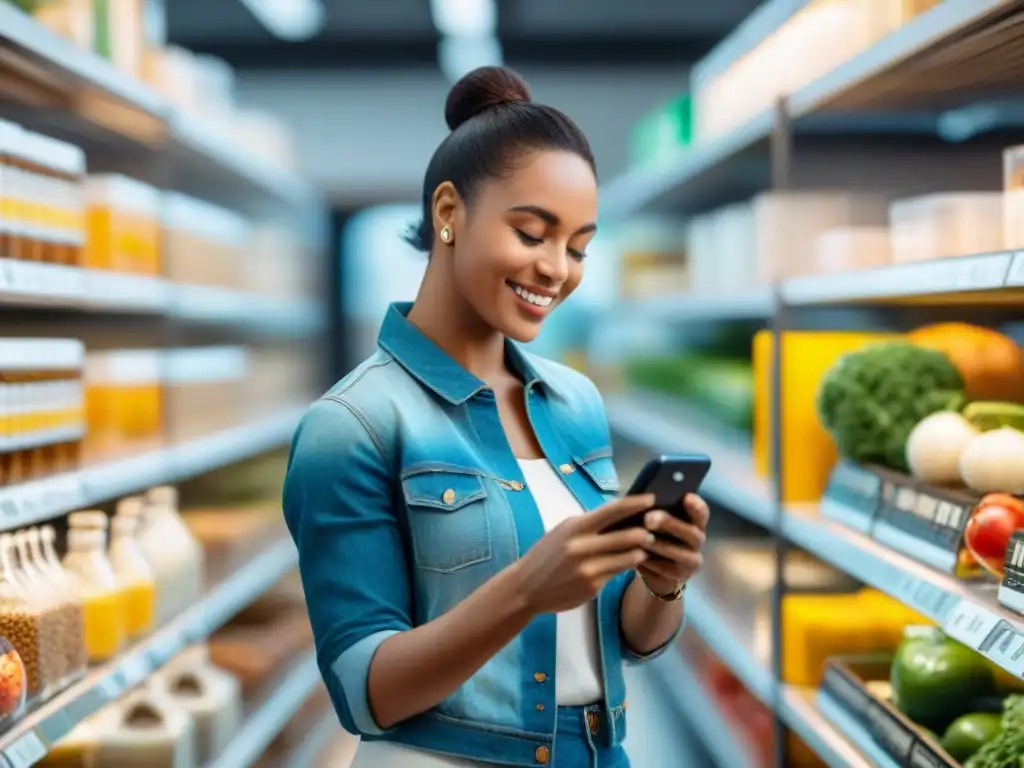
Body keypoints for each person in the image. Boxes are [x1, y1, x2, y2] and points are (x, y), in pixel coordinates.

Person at [282, 65, 709, 768]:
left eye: (577, 247)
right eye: (533, 233)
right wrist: (524, 591)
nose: (556, 270)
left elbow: (623, 642)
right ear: (449, 213)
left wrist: (662, 580)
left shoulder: (576, 403)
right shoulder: (353, 425)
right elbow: (364, 693)